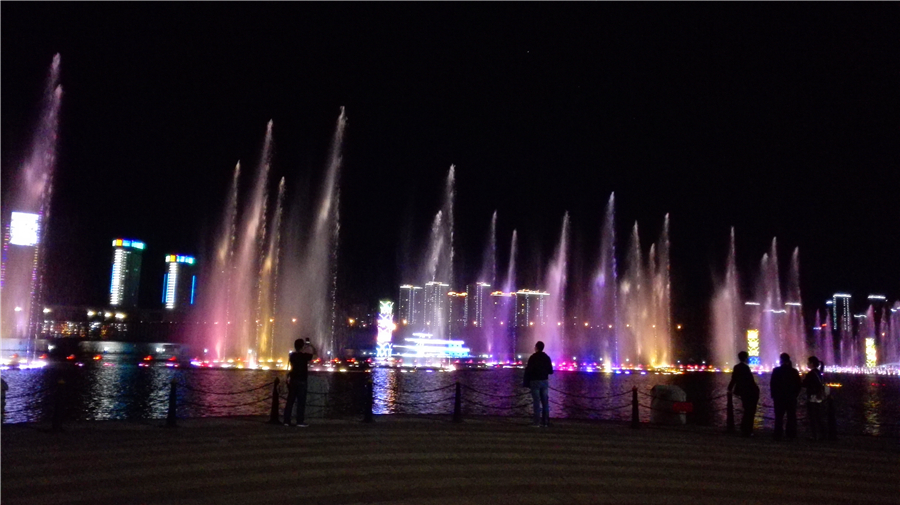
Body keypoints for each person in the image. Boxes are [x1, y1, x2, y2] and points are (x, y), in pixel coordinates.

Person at [283, 338, 315, 427]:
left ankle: (286, 421)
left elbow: (291, 367)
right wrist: (310, 345)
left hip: (293, 380)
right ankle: (299, 421)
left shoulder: (292, 355)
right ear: (302, 346)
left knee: (290, 401)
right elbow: (315, 354)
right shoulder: (304, 356)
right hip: (302, 381)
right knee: (301, 402)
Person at [770, 352, 801, 440]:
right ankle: (791, 434)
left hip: (779, 398)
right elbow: (798, 385)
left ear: (781, 360)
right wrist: (795, 394)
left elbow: (773, 384)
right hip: (791, 397)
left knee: (779, 416)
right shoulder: (794, 371)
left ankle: (778, 434)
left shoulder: (776, 371)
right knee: (791, 416)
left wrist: (774, 395)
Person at [727, 351, 759, 437]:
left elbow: (733, 379)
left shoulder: (736, 367)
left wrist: (729, 389)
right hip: (749, 392)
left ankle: (744, 428)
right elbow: (750, 381)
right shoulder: (745, 368)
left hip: (742, 392)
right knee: (750, 411)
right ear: (745, 358)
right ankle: (748, 430)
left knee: (746, 410)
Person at [524, 341, 553, 427]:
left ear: (536, 347)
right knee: (545, 403)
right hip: (544, 381)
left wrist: (526, 381)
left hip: (535, 381)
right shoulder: (547, 357)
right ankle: (545, 422)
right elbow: (551, 371)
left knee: (536, 402)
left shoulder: (533, 357)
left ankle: (536, 423)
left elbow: (528, 370)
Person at [802, 356, 827, 441]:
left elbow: (805, 384)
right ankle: (822, 434)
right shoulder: (819, 373)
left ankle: (814, 435)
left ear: (812, 363)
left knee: (812, 416)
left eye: (808, 362)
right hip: (819, 397)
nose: (807, 364)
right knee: (819, 416)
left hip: (813, 397)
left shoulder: (811, 374)